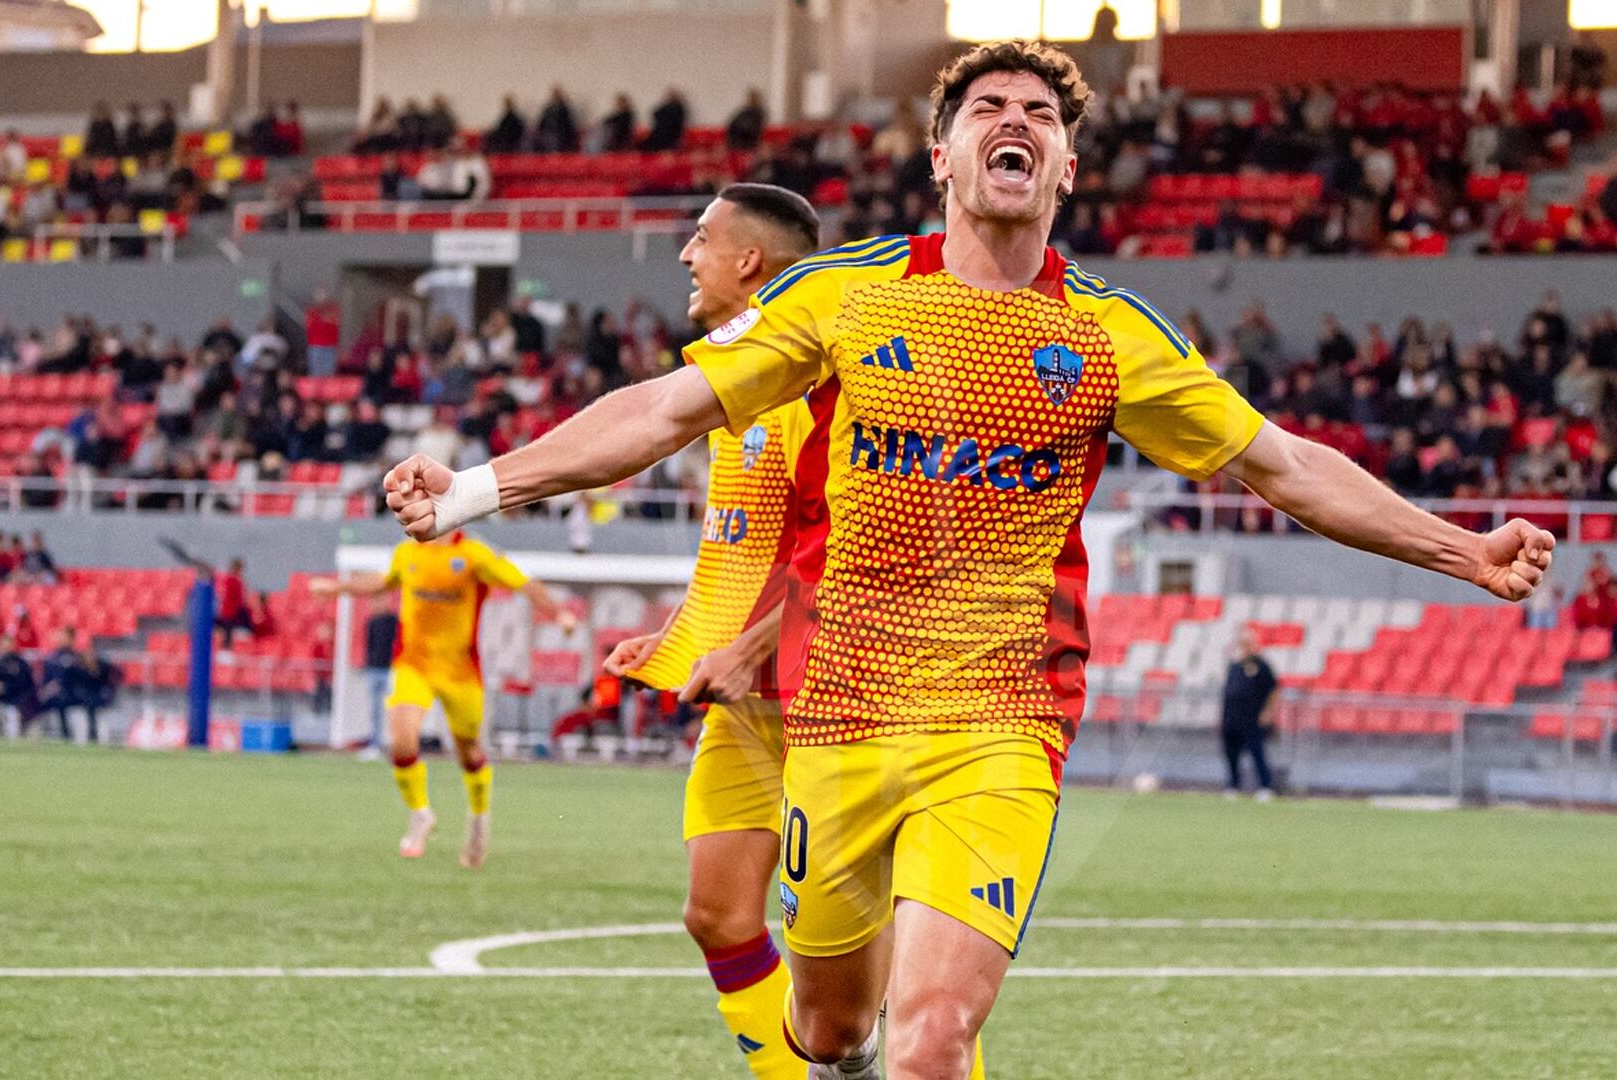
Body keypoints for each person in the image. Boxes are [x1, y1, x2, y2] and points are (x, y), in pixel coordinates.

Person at [379, 40, 1555, 1078]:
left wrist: (1464, 549)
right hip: (839, 716)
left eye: (1039, 116)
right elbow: (663, 413)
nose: (1015, 123)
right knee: (833, 1029)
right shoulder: (845, 297)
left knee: (936, 1037)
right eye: (987, 108)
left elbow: (1283, 465)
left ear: (1068, 169)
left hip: (1001, 721)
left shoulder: (1107, 332)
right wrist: (475, 488)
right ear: (941, 156)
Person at [597, 183, 824, 1080]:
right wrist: (682, 639)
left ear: (750, 261)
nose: (686, 256)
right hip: (748, 700)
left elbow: (847, 552)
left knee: (861, 959)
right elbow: (748, 549)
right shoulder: (733, 386)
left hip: (835, 701)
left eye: (700, 239)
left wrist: (751, 649)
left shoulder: (819, 384)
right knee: (718, 915)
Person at [311, 534, 574, 867]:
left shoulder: (473, 554)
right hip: (413, 666)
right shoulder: (407, 552)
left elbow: (523, 583)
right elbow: (382, 581)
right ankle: (420, 813)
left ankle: (479, 818)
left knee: (469, 753)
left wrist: (560, 613)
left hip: (461, 673)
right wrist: (336, 589)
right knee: (402, 740)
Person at [1219, 627, 1279, 799]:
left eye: (1247, 644)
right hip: (1232, 718)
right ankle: (1233, 785)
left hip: (1251, 719)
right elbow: (1228, 693)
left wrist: (1268, 711)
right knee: (1231, 754)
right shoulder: (1235, 666)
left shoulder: (1261, 666)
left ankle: (1265, 786)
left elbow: (1273, 690)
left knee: (1257, 753)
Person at [360, 593, 399, 759]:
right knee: (375, 710)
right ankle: (375, 744)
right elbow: (369, 644)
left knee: (396, 709)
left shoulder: (394, 621)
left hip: (390, 670)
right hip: (374, 670)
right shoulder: (371, 622)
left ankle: (399, 745)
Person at [0, 632, 35, 738]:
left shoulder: (19, 662)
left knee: (12, 727)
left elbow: (24, 683)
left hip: (12, 701)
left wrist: (4, 687)